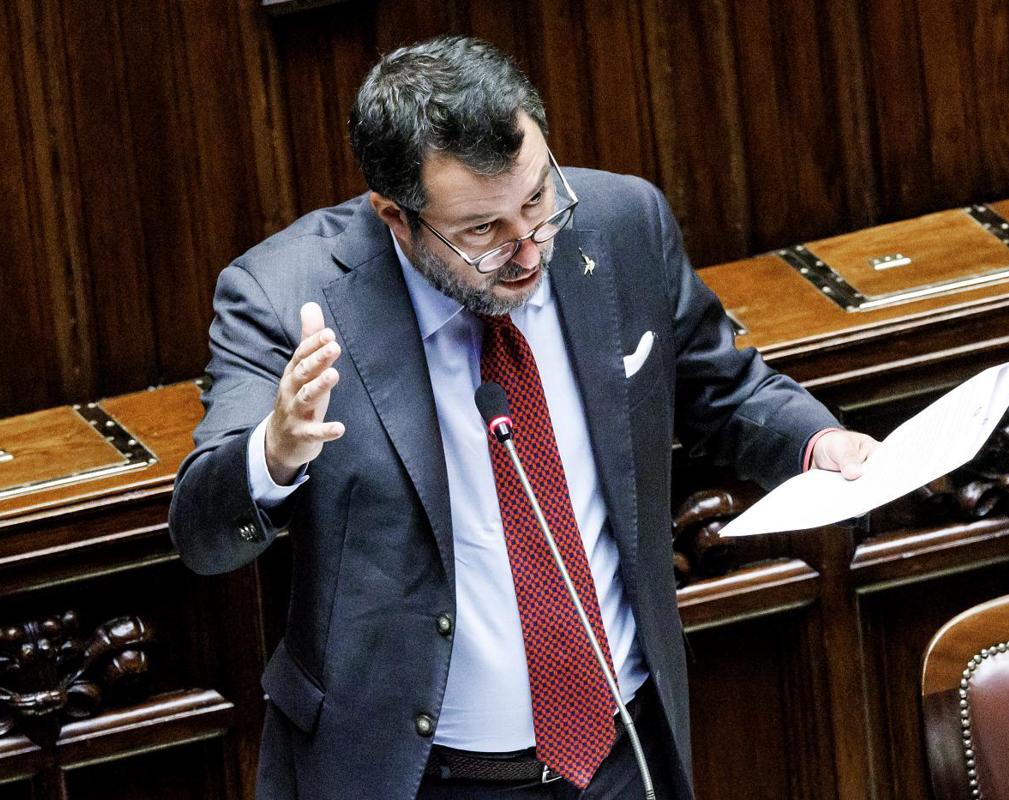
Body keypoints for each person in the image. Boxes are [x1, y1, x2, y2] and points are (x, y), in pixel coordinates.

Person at [169, 35, 875, 800]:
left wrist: (815, 441)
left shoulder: (622, 223)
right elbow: (202, 536)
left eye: (537, 200)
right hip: (420, 780)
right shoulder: (283, 295)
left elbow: (722, 386)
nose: (529, 248)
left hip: (625, 754)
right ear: (395, 217)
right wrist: (273, 454)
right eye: (482, 231)